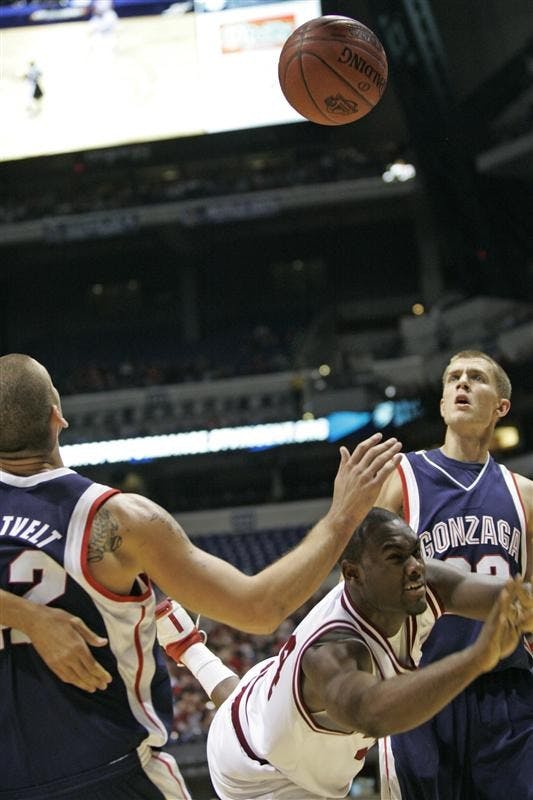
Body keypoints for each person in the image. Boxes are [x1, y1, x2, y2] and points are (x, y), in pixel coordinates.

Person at [0, 352, 401, 800]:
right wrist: (340, 519)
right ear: (58, 417)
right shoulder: (119, 519)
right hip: (113, 775)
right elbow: (259, 608)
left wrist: (24, 615)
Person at [155, 507, 533, 800]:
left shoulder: (415, 583)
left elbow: (506, 598)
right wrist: (475, 659)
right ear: (352, 573)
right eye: (396, 557)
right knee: (238, 714)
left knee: (236, 698)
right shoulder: (332, 651)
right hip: (262, 775)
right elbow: (372, 714)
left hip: (262, 698)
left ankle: (188, 647)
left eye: (415, 551)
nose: (416, 566)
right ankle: (188, 647)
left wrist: (523, 606)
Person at [375, 349, 533, 799]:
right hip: (422, 688)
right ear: (443, 401)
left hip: (505, 693)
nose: (461, 384)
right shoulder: (401, 477)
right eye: (452, 378)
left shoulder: (524, 495)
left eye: (476, 378)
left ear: (500, 406)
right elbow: (361, 585)